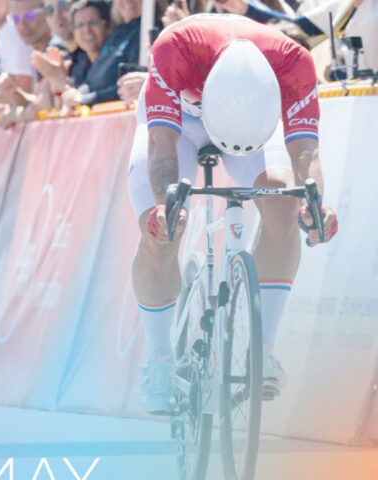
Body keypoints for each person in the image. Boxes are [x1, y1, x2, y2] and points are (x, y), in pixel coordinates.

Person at [128, 14, 337, 414]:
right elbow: (161, 145)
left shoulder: (294, 62)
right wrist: (165, 207)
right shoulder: (176, 48)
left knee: (284, 205)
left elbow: (306, 152)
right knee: (160, 230)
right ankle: (159, 358)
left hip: (253, 129)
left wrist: (314, 206)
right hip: (181, 125)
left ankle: (263, 352)